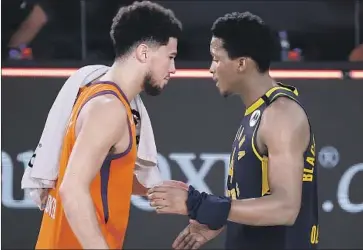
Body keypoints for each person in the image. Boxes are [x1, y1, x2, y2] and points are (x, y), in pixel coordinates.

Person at [148, 11, 319, 249]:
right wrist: (219, 219)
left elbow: (286, 208)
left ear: (241, 64)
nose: (211, 68)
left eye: (217, 59)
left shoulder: (280, 114)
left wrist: (201, 205)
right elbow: (256, 199)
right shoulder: (258, 112)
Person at [35, 1, 182, 249]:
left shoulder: (91, 91)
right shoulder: (109, 108)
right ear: (144, 53)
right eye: (170, 57)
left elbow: (103, 176)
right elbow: (71, 190)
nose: (173, 69)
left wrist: (156, 190)